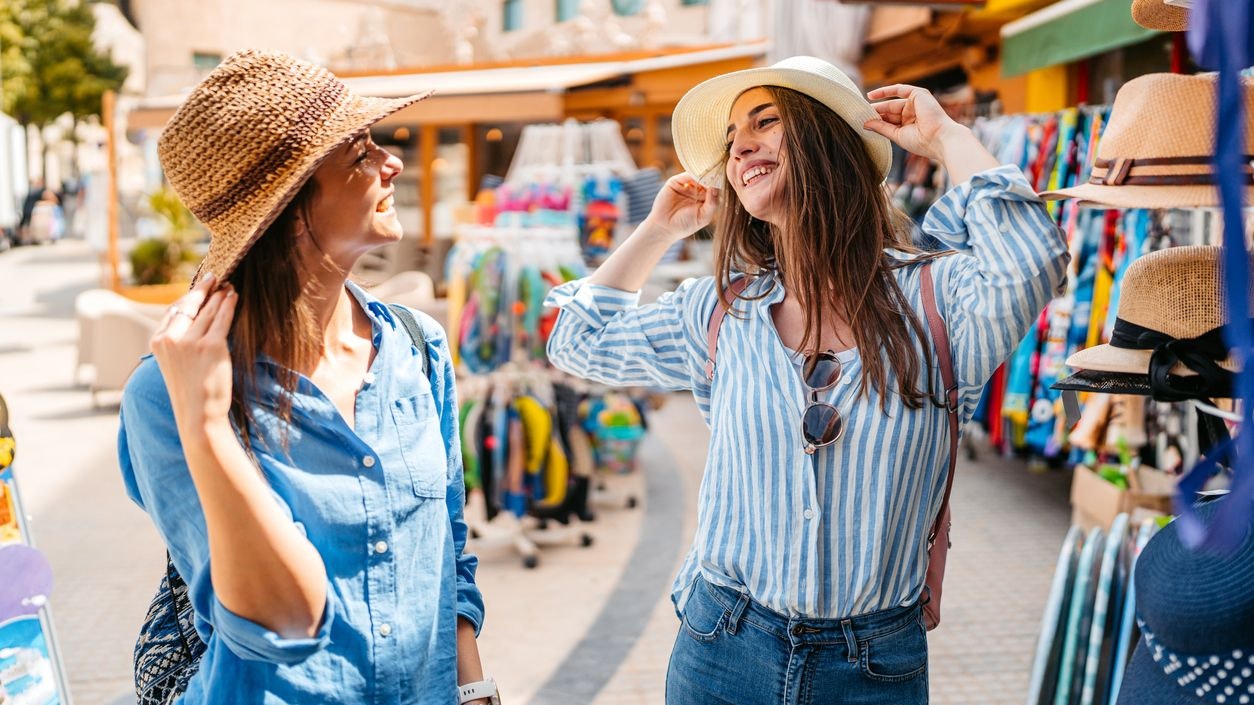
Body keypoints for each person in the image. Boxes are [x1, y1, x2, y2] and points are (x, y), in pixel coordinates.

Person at [544, 56, 1069, 704]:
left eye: (766, 122)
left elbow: (1033, 258)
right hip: (720, 648)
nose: (740, 145)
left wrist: (944, 138)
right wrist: (656, 230)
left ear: (826, 141)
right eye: (733, 136)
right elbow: (577, 341)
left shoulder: (938, 304)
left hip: (872, 667)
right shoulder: (719, 311)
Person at [117, 50, 498, 705]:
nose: (393, 163)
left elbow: (449, 547)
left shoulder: (418, 346)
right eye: (359, 155)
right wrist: (208, 425)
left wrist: (476, 689)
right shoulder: (170, 394)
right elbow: (284, 620)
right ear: (290, 208)